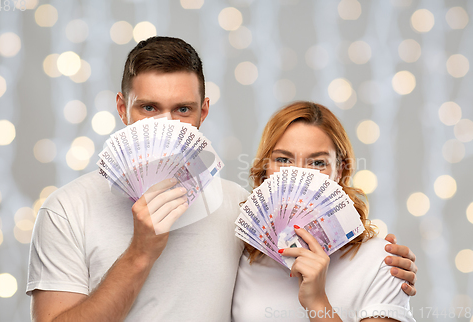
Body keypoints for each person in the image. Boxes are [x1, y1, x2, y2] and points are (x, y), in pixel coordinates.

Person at [27, 37, 417, 321]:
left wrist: (384, 262)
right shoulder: (66, 210)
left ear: (204, 112)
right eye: (148, 107)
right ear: (121, 108)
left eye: (183, 108)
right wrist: (139, 253)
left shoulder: (238, 209)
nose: (166, 125)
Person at [232, 101, 416, 322]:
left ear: (339, 171)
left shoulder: (383, 262)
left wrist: (318, 303)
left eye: (317, 162)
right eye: (283, 159)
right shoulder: (238, 256)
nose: (299, 176)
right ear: (264, 170)